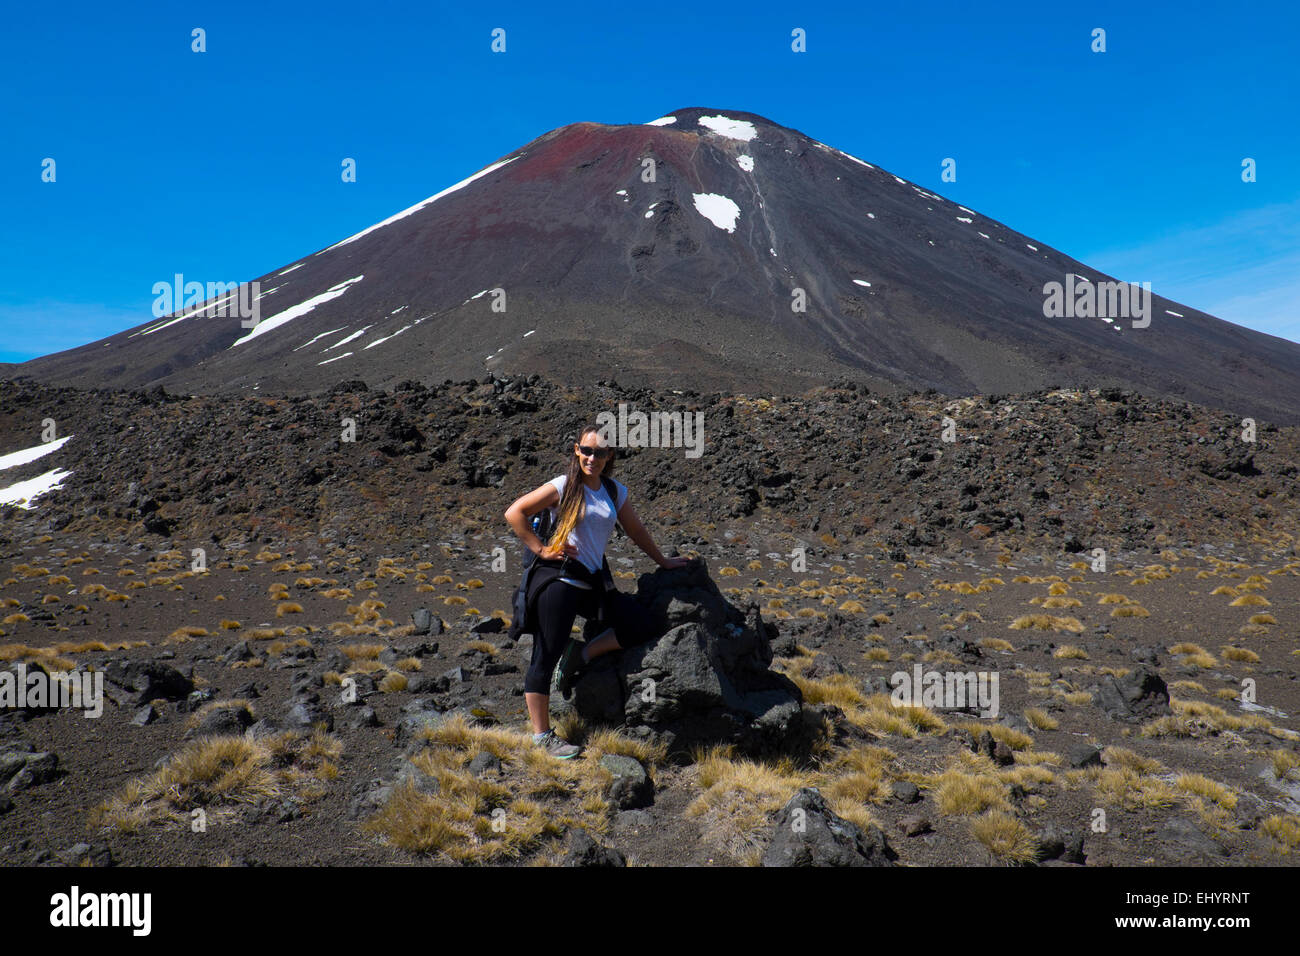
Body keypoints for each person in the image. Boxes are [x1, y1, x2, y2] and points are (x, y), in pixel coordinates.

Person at [504, 422, 691, 758]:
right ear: (577, 451)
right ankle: (542, 736)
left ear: (609, 456)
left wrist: (663, 560)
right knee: (544, 656)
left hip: (592, 583)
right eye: (586, 450)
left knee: (642, 624)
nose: (592, 457)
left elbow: (636, 530)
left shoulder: (614, 491)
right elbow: (514, 513)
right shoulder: (562, 487)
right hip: (559, 581)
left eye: (600, 452)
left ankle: (583, 653)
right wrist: (542, 550)